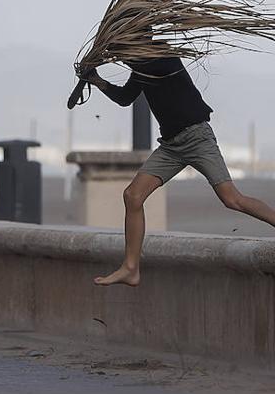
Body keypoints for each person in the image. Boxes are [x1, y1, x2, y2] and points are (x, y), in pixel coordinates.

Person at [82, 59, 275, 286]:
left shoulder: (163, 56)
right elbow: (126, 98)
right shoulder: (140, 67)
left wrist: (112, 55)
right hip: (171, 147)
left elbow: (151, 66)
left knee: (232, 199)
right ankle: (130, 269)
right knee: (132, 196)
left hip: (197, 137)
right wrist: (96, 81)